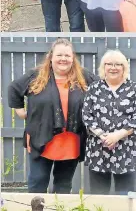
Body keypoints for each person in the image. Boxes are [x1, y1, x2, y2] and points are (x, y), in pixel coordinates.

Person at [8, 38, 98, 193]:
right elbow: (14, 88)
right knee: (38, 182)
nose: (63, 59)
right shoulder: (36, 76)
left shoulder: (84, 77)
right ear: (51, 57)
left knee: (63, 184)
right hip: (40, 138)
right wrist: (20, 110)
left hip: (71, 140)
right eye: (59, 55)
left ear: (72, 58)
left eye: (67, 56)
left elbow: (103, 91)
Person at [82, 49, 136, 195]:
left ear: (124, 68)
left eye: (118, 64)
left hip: (126, 149)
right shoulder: (94, 88)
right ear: (103, 67)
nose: (113, 67)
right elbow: (87, 116)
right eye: (109, 64)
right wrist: (103, 136)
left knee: (124, 194)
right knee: (99, 194)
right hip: (99, 148)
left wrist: (117, 136)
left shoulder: (135, 89)